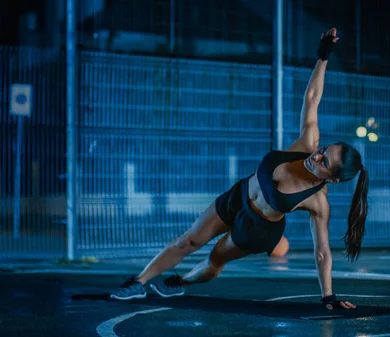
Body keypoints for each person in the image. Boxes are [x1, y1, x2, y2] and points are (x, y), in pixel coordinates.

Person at [110, 27, 369, 311]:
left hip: (258, 229)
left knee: (214, 261)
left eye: (324, 162)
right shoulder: (307, 144)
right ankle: (138, 282)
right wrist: (323, 55)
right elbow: (312, 99)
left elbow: (322, 253)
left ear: (331, 179)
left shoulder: (318, 202)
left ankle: (181, 282)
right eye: (323, 151)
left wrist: (328, 296)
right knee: (188, 240)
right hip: (238, 196)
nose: (317, 157)